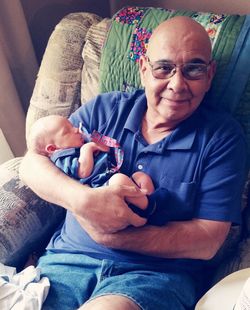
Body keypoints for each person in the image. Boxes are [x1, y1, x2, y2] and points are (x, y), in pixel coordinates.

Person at [20, 16, 247, 310]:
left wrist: (114, 237)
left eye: (194, 69)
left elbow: (208, 240)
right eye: (164, 68)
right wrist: (83, 200)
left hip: (153, 277)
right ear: (143, 69)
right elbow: (31, 163)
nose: (177, 85)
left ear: (210, 74)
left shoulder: (222, 138)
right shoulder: (104, 110)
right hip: (65, 264)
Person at [27, 115, 156, 219]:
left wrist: (96, 145)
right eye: (67, 131)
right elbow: (83, 172)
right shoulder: (62, 158)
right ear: (53, 148)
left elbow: (106, 149)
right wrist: (88, 148)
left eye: (72, 126)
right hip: (100, 190)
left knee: (140, 176)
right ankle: (149, 209)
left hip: (111, 178)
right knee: (120, 180)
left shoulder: (78, 144)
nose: (76, 129)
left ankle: (148, 199)